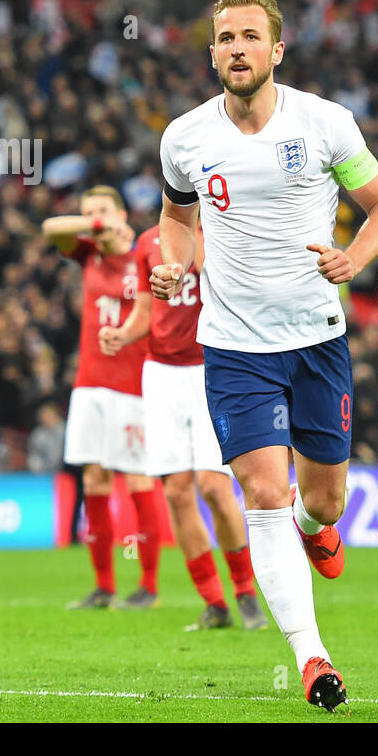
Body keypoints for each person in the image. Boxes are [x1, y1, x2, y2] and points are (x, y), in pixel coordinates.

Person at [151, 0, 378, 710]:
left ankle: (311, 527)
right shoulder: (185, 137)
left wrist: (355, 258)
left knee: (324, 499)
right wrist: (174, 261)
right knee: (263, 490)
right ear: (212, 54)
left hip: (318, 341)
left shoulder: (325, 124)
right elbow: (175, 217)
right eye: (224, 38)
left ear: (276, 50)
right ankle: (313, 657)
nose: (236, 49)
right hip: (233, 347)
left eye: (249, 37)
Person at [100, 222, 269, 631]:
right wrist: (123, 335)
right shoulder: (147, 242)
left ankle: (246, 593)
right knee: (176, 492)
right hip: (160, 373)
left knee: (213, 487)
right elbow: (145, 308)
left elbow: (235, 290)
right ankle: (215, 603)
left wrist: (194, 247)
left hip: (213, 365)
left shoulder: (225, 228)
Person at [42, 185, 160, 610]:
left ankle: (148, 586)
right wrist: (95, 224)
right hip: (90, 382)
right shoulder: (88, 252)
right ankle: (104, 586)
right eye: (87, 211)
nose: (94, 218)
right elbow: (50, 228)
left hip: (135, 383)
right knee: (93, 479)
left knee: (139, 479)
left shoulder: (146, 255)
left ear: (123, 212)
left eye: (103, 210)